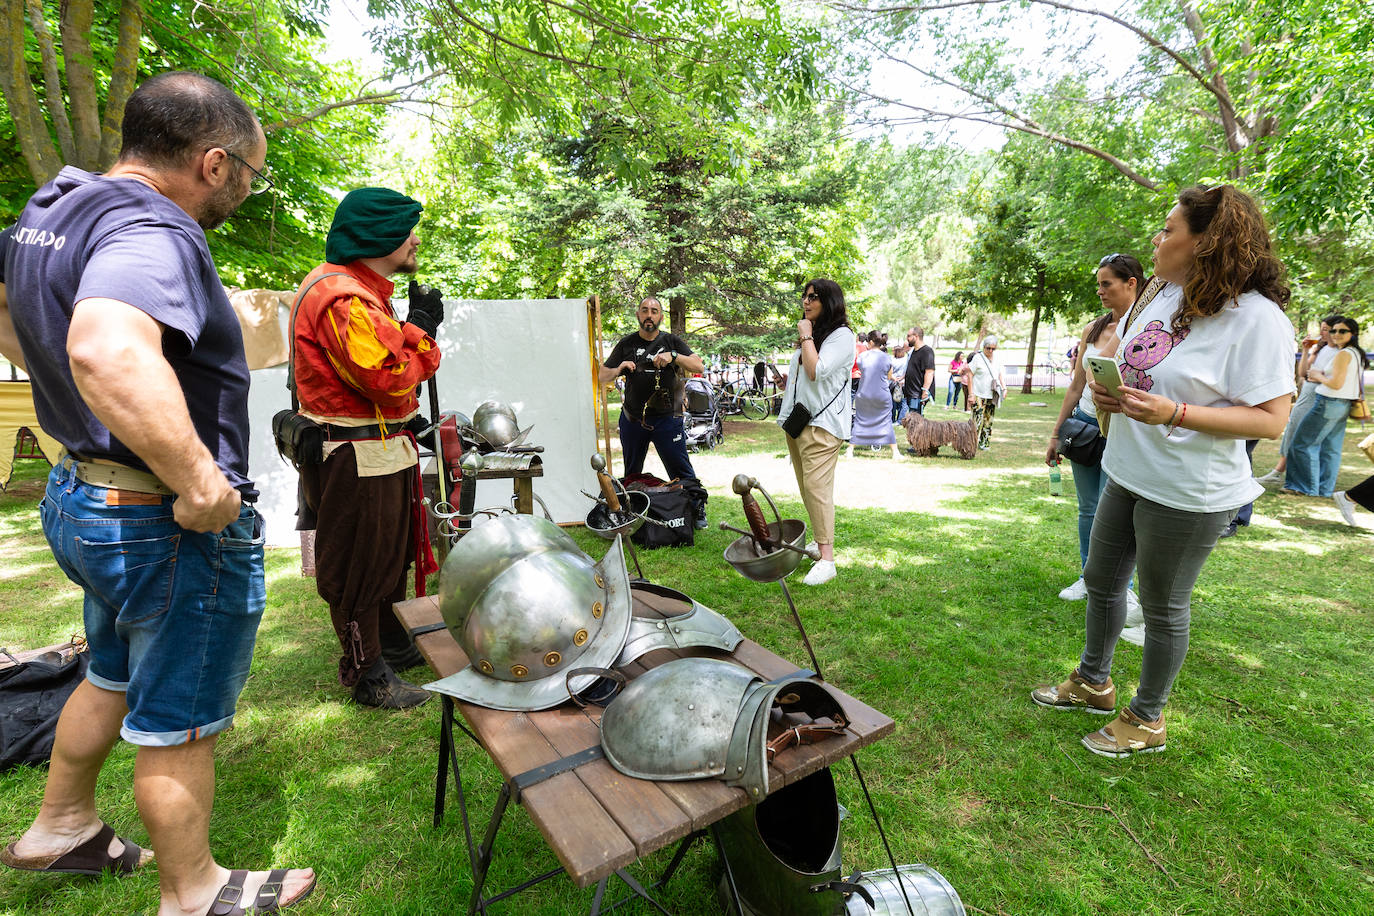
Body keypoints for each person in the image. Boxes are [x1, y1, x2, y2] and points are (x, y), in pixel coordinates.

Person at [0, 73, 315, 914]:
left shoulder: (56, 206)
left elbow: (12, 306)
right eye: (247, 175)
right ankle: (195, 891)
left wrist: (58, 387)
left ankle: (59, 825)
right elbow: (106, 350)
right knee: (179, 713)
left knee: (108, 674)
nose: (244, 192)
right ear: (214, 162)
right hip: (156, 518)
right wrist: (200, 480)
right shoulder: (153, 228)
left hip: (84, 499)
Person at [1031, 184, 1295, 758]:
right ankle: (1094, 681)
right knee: (1102, 582)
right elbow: (1137, 369)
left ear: (1208, 243)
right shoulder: (1160, 293)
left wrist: (1175, 412)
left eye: (1170, 229)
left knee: (1162, 605)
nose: (1158, 237)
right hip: (1127, 468)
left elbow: (1272, 420)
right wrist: (1109, 396)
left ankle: (1147, 718)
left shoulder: (1258, 320)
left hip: (1187, 490)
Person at [292, 187, 443, 710]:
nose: (416, 238)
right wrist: (421, 332)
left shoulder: (360, 289)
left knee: (387, 557)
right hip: (358, 456)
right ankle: (368, 675)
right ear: (380, 235)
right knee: (362, 563)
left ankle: (393, 644)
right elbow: (387, 377)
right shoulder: (344, 297)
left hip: (378, 450)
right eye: (408, 229)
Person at [1044, 253, 1144, 641]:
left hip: (1121, 427)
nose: (1100, 290)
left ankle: (1122, 588)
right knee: (1089, 508)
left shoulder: (1144, 330)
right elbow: (1076, 385)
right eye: (1099, 284)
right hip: (1086, 427)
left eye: (1108, 284)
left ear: (1132, 283)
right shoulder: (1093, 327)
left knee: (1115, 513)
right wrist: (1055, 433)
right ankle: (1089, 577)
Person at [598, 296, 708, 525]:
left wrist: (674, 356)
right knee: (631, 472)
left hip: (668, 419)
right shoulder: (626, 344)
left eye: (655, 311)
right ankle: (630, 513)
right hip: (633, 419)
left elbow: (699, 366)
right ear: (638, 315)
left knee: (680, 470)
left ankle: (696, 509)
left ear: (661, 317)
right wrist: (619, 368)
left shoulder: (671, 341)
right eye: (645, 310)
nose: (649, 315)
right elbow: (602, 376)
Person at [776, 279, 856, 586]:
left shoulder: (841, 336)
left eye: (813, 297)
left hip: (822, 427)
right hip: (799, 423)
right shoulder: (817, 335)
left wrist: (806, 336)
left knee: (818, 489)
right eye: (805, 297)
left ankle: (827, 559)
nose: (806, 302)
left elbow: (817, 371)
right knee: (808, 488)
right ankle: (820, 546)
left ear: (829, 302)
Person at [1283, 316, 1367, 497]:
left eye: (1342, 331)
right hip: (1342, 405)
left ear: (1352, 334)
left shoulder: (1344, 354)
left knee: (1302, 444)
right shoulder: (1355, 353)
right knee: (1331, 449)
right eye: (1333, 330)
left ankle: (1305, 487)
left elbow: (1335, 384)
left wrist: (1317, 375)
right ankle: (1324, 489)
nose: (1336, 334)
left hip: (1328, 403)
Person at [1256, 316, 1339, 486]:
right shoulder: (1319, 349)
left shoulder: (1341, 352)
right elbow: (1303, 373)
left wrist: (1318, 377)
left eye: (1326, 329)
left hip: (1323, 396)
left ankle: (1298, 477)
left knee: (1311, 439)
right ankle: (1280, 471)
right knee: (1293, 430)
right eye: (1322, 329)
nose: (1322, 332)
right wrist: (1306, 350)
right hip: (1307, 393)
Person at [849, 331, 899, 458]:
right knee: (886, 421)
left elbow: (862, 371)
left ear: (871, 342)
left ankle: (850, 450)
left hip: (864, 394)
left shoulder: (862, 356)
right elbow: (889, 375)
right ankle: (895, 452)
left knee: (860, 420)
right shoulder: (887, 357)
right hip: (882, 394)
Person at [964, 336, 1005, 450]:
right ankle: (971, 443)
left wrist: (1004, 388)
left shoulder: (997, 358)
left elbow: (1000, 374)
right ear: (984, 347)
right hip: (978, 393)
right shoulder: (978, 357)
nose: (991, 351)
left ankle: (984, 443)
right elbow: (970, 375)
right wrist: (971, 394)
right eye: (988, 348)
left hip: (992, 394)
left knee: (988, 420)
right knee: (976, 420)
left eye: (993, 348)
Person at [903, 326, 936, 417]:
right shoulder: (914, 351)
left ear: (916, 336)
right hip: (910, 392)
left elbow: (929, 372)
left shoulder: (927, 351)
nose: (907, 338)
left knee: (915, 420)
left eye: (909, 336)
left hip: (917, 394)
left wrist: (925, 391)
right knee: (912, 420)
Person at [890, 340, 910, 423]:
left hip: (893, 382)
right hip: (903, 382)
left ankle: (892, 419)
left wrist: (895, 378)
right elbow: (907, 371)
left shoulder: (892, 360)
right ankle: (900, 420)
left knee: (893, 402)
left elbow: (890, 372)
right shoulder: (906, 359)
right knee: (903, 402)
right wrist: (902, 378)